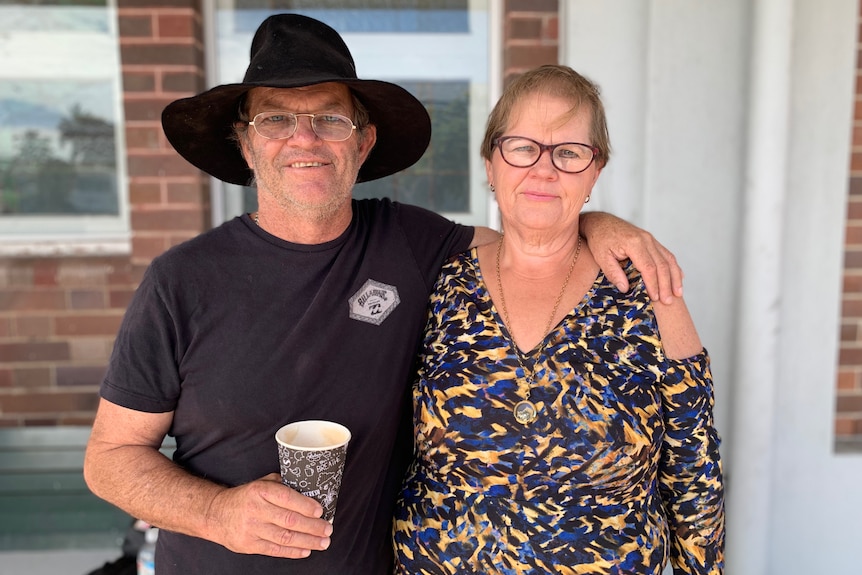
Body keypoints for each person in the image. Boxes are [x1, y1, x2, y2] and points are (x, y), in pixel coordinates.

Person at [83, 15, 683, 575]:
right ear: (245, 143)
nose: (305, 139)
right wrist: (219, 513)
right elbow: (109, 460)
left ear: (363, 142)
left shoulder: (411, 243)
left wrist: (601, 223)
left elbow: (531, 240)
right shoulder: (181, 281)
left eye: (329, 119)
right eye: (276, 119)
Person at [393, 64, 725, 574]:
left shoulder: (649, 293)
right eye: (523, 147)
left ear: (595, 172)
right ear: (490, 163)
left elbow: (695, 476)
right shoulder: (437, 283)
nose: (543, 170)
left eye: (569, 153)